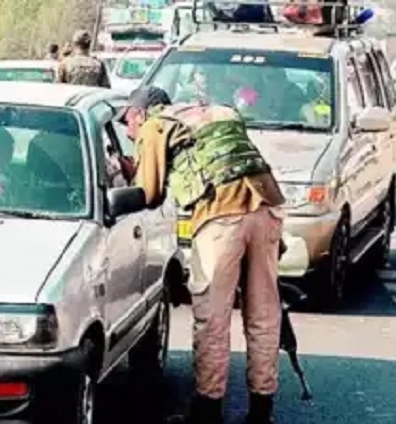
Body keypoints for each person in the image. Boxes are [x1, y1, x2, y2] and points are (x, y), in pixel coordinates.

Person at [116, 86, 286, 424]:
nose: (128, 130)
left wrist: (127, 169)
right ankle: (261, 411)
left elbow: (149, 193)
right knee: (263, 314)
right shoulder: (211, 111)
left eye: (128, 123)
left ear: (140, 112)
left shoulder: (155, 126)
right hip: (266, 206)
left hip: (221, 215)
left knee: (213, 317)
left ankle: (208, 411)